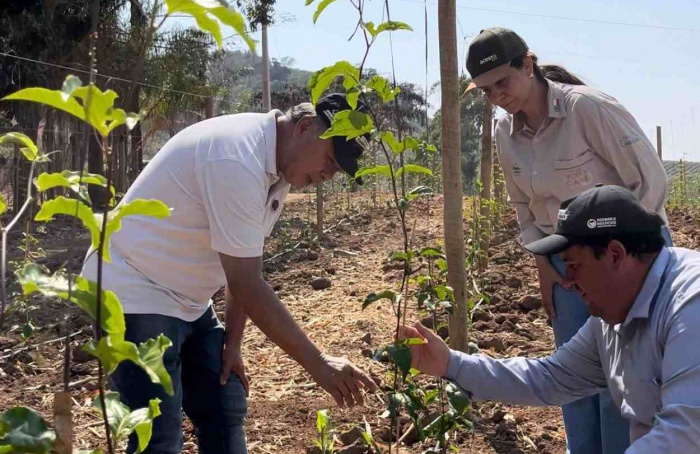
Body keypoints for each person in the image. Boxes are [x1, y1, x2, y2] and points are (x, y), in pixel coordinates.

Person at [81, 93, 377, 454]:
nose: (328, 176)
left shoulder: (278, 171)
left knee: (225, 404)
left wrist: (232, 345)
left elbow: (243, 261)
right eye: (331, 160)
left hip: (187, 299)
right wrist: (318, 364)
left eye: (337, 170)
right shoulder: (236, 158)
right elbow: (246, 283)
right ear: (303, 128)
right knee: (159, 433)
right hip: (132, 288)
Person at [464, 27, 671, 453]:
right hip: (565, 263)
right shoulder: (505, 132)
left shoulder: (587, 109)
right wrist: (546, 266)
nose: (496, 96)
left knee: (623, 381)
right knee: (571, 379)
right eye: (486, 90)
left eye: (502, 81)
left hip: (624, 260)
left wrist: (627, 265)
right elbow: (525, 208)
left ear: (528, 64)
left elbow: (649, 183)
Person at [403, 185, 700, 453]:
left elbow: (685, 436)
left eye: (573, 264)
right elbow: (550, 378)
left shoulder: (689, 304)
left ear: (615, 254)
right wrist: (451, 364)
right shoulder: (610, 318)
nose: (568, 281)